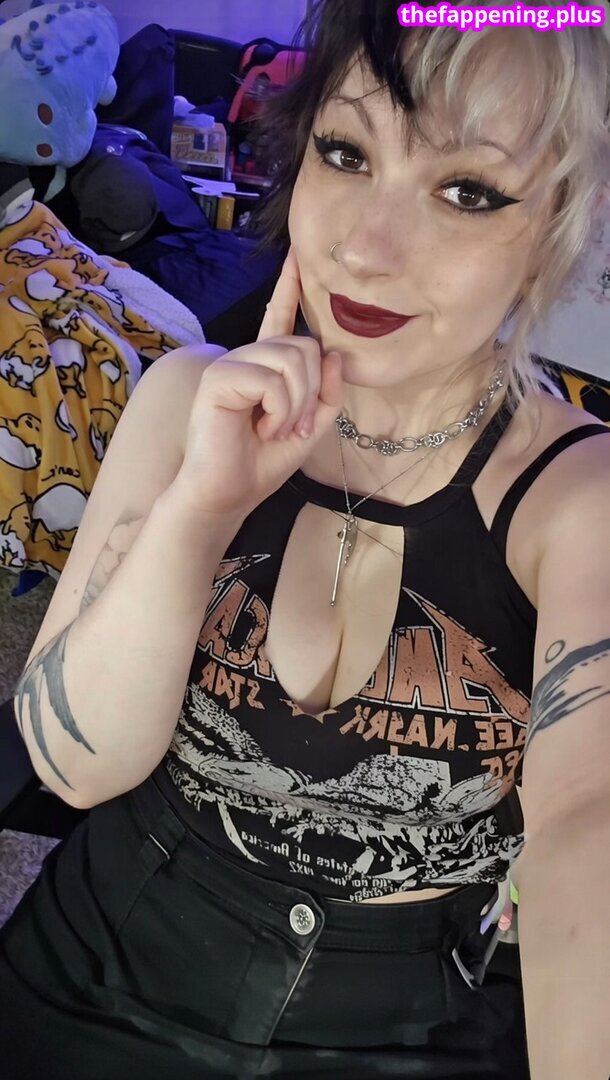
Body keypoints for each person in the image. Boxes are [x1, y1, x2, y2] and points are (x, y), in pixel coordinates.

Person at [1, 1, 609, 1077]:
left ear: (559, 224)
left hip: (412, 1030)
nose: (365, 249)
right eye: (346, 152)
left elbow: (587, 829)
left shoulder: (580, 497)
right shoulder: (185, 394)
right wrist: (199, 510)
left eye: (467, 191)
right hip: (97, 974)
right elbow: (71, 767)